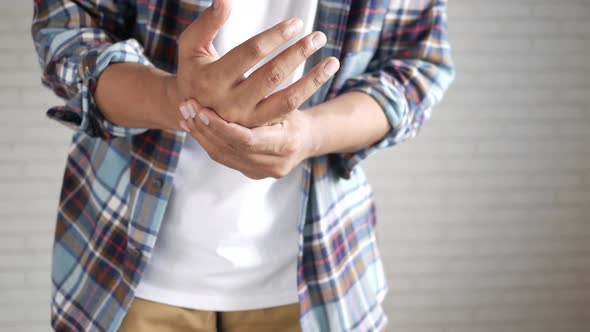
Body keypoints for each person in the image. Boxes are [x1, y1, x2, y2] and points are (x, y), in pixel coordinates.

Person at [31, 0, 454, 331]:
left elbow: (415, 66)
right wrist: (176, 98)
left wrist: (311, 134)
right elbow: (68, 31)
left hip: (323, 275)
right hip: (120, 266)